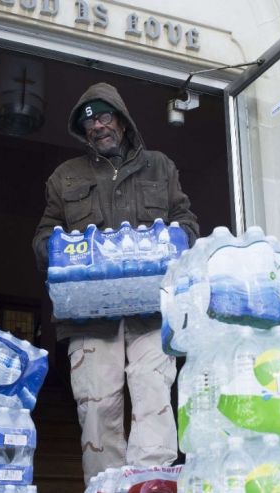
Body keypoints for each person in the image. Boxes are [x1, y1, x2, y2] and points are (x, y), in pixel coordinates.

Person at [32, 82, 199, 483]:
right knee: (96, 407)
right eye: (88, 121)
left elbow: (188, 222)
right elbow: (44, 236)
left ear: (122, 121)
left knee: (153, 395)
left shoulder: (160, 166)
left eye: (104, 116)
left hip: (152, 312)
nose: (97, 126)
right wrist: (57, 250)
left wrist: (175, 241)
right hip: (89, 316)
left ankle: (151, 485)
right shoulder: (65, 176)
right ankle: (105, 488)